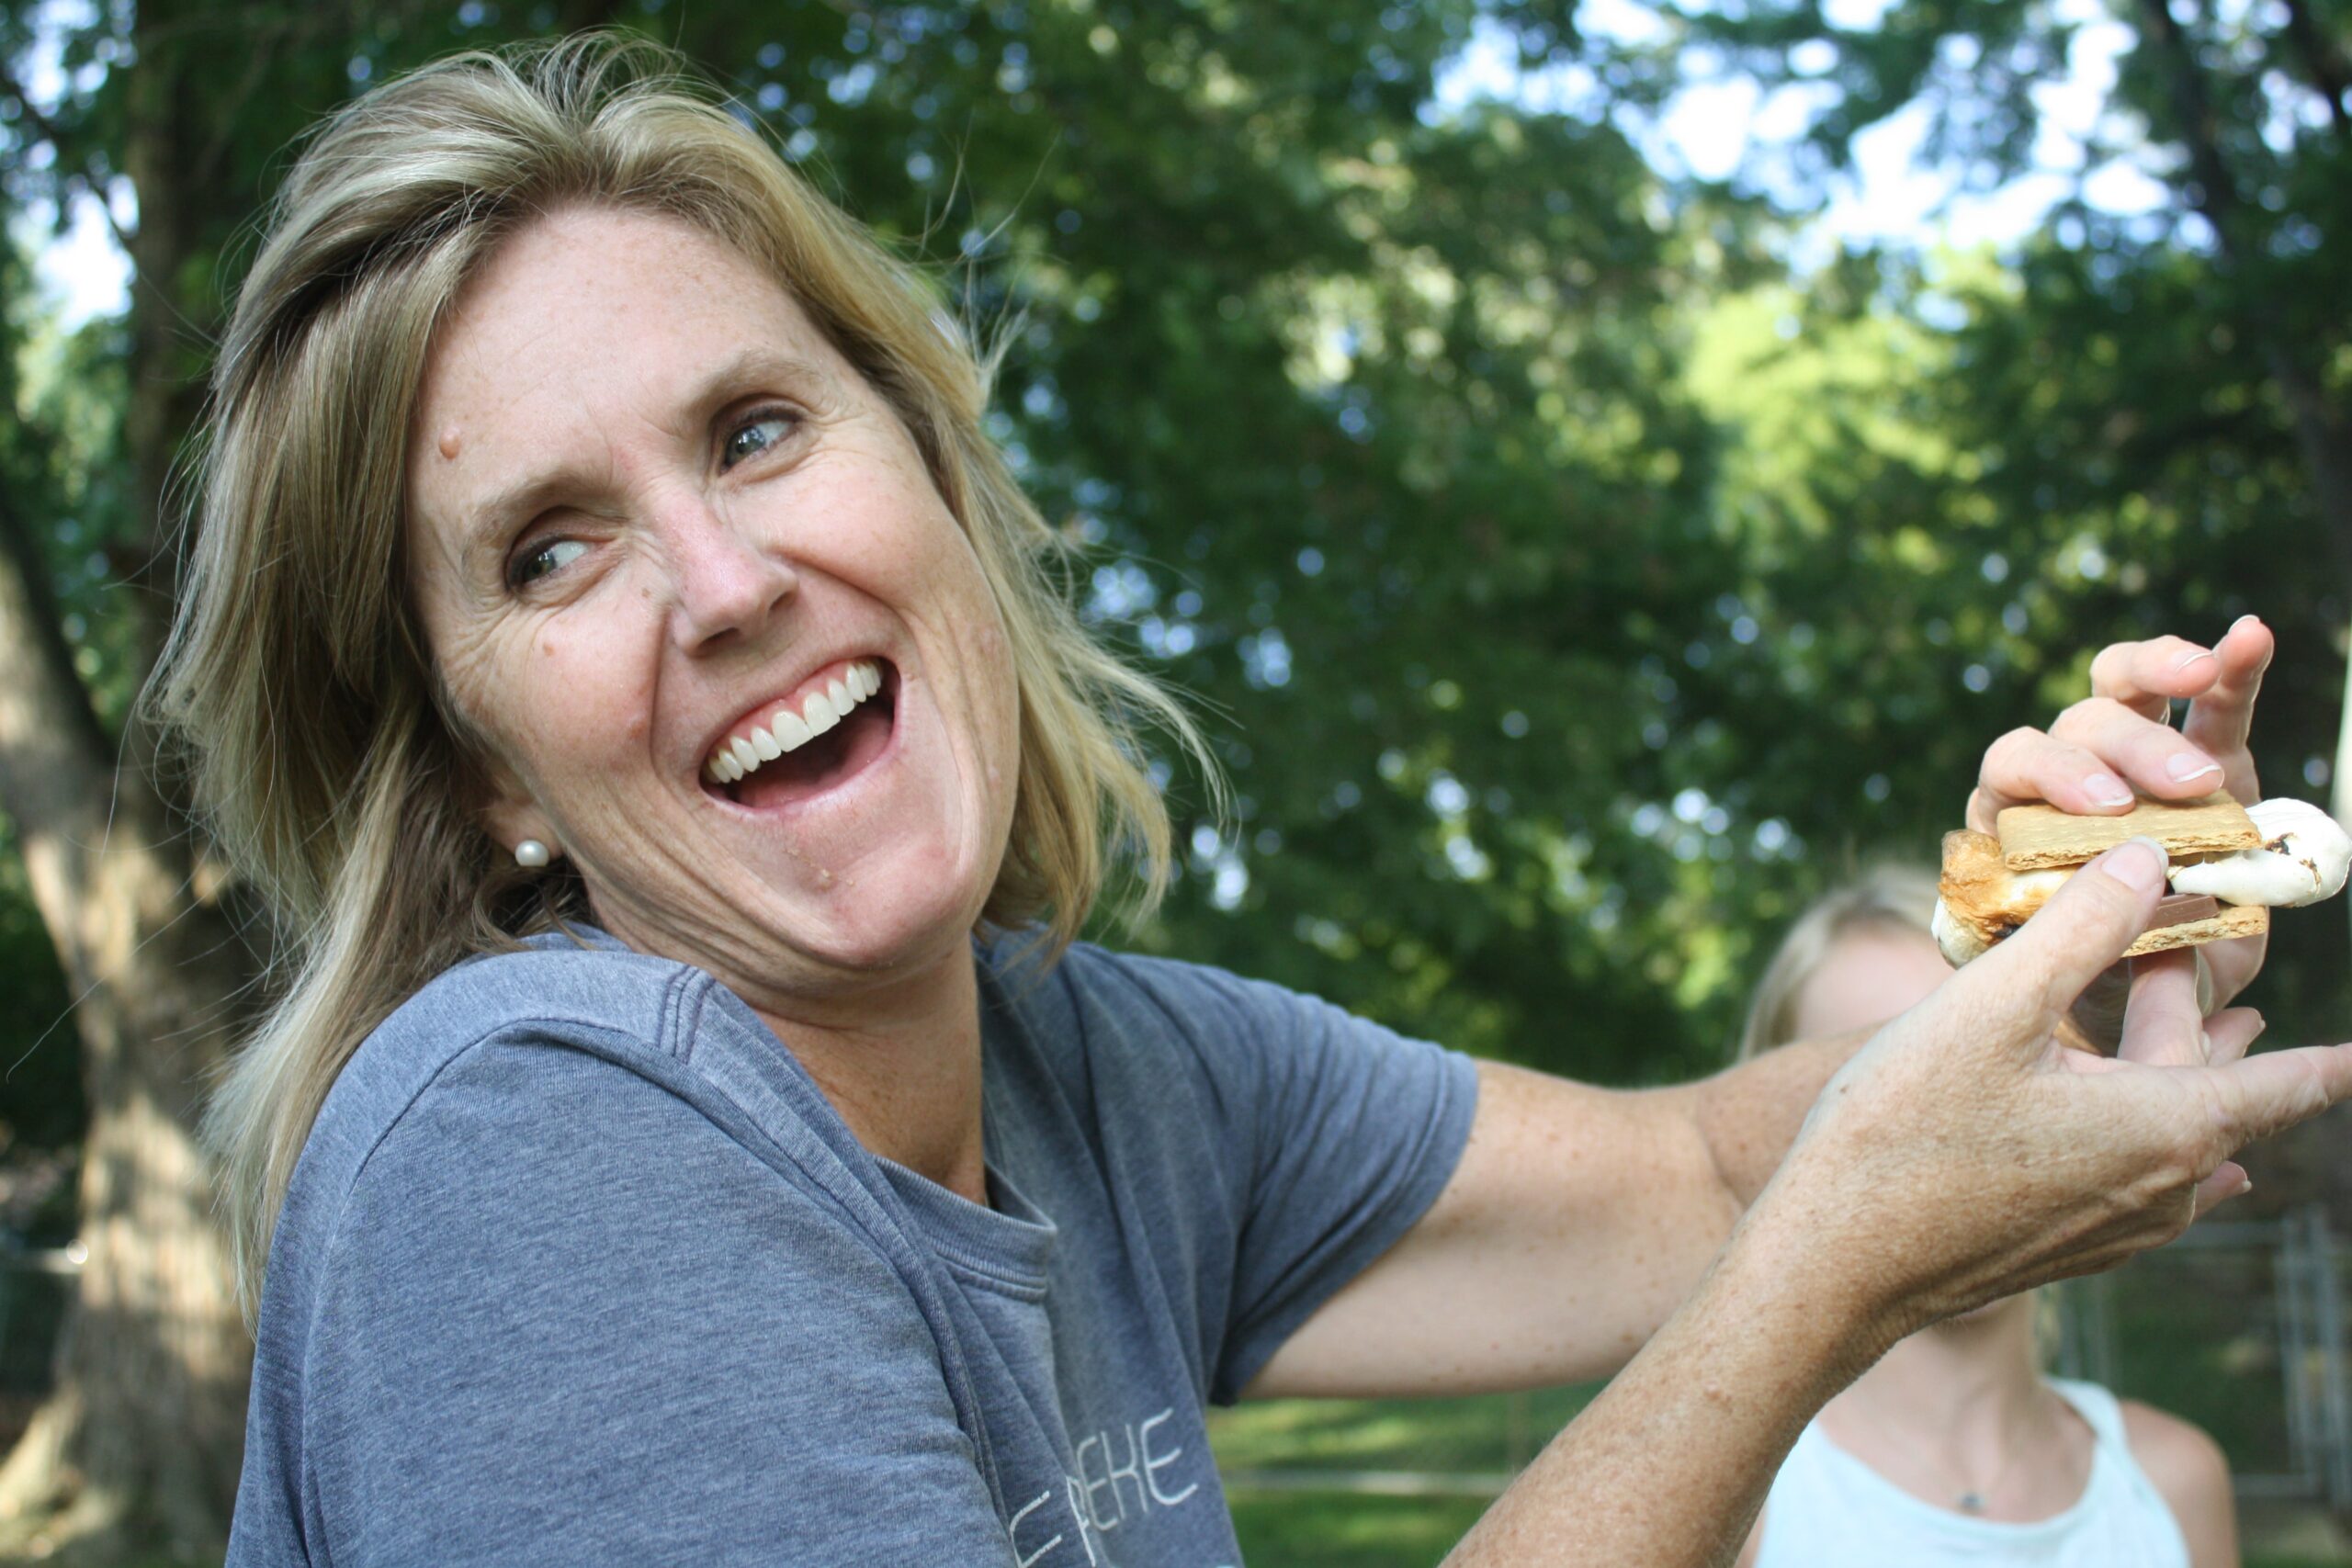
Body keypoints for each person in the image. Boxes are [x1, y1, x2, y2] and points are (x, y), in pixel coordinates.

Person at [162, 34, 2347, 1567]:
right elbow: (1763, 1240)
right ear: (478, 768)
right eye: (550, 546)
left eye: (749, 429)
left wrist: (2072, 949)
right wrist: (1806, 1299)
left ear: (925, 464)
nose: (722, 583)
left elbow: (1687, 1161)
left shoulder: (1096, 1064)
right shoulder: (540, 1145)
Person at [1733, 868, 2238, 1568]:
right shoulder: (1736, 1513)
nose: (1950, 1123)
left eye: (1994, 1054)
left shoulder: (2175, 1481)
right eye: (1867, 1078)